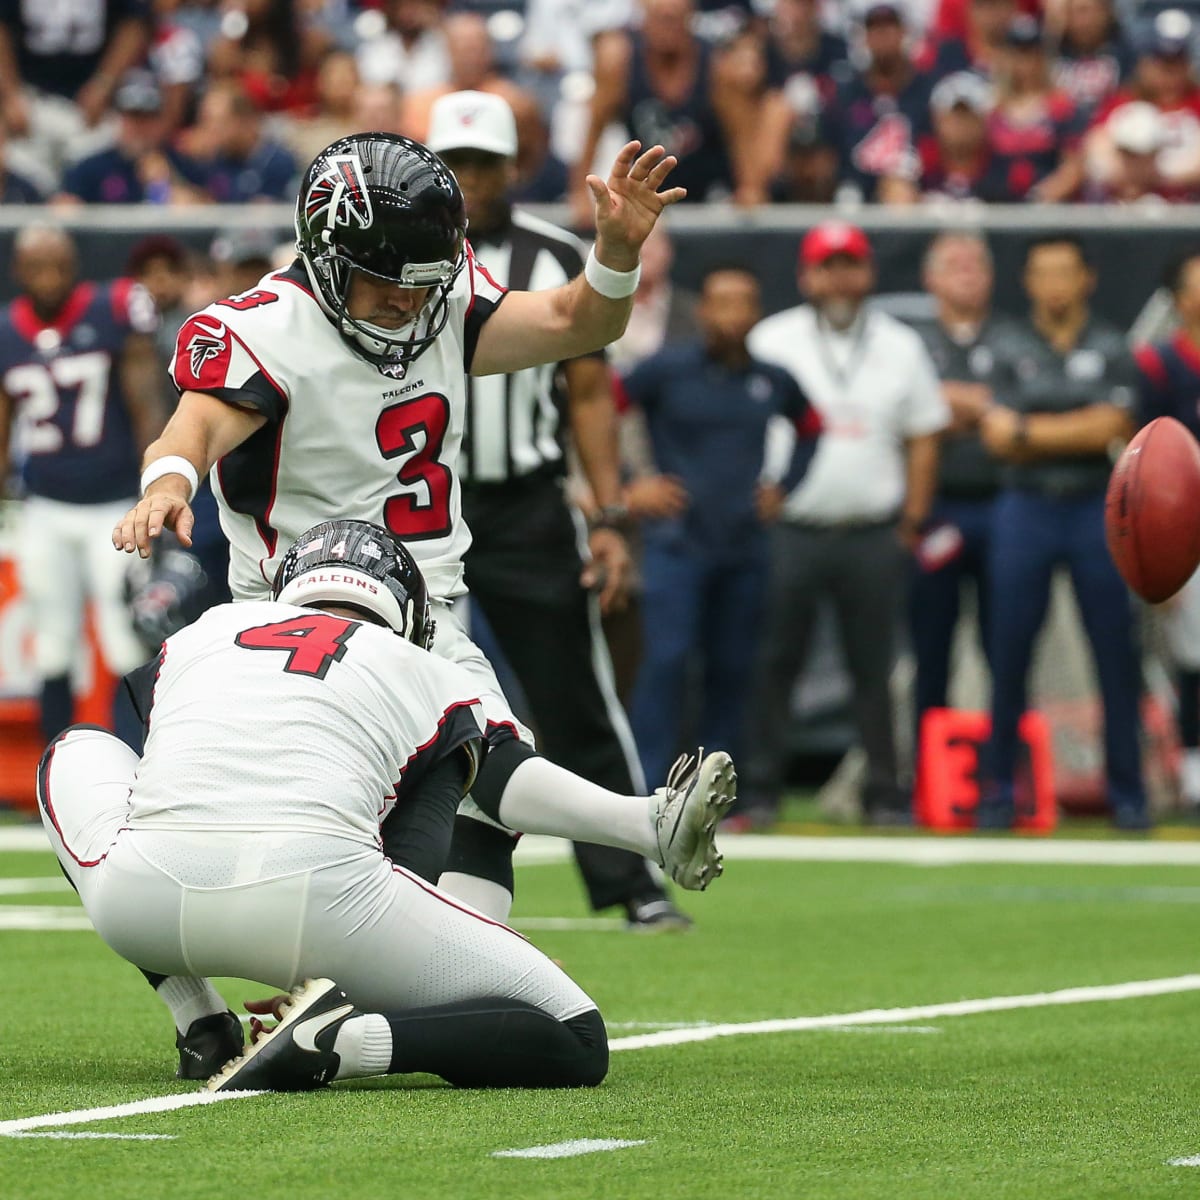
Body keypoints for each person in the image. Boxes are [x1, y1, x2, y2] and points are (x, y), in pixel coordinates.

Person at [112, 131, 736, 1061]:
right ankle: (645, 825)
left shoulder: (441, 297)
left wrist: (614, 254)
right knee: (480, 754)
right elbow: (196, 422)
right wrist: (168, 477)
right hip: (298, 619)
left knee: (475, 834)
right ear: (326, 260)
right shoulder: (262, 327)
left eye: (421, 282)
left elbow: (578, 325)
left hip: (429, 605)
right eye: (383, 284)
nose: (407, 305)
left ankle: (352, 1018)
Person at [40, 520, 618, 1092]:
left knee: (75, 748)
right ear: (409, 618)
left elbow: (172, 777)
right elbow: (414, 855)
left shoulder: (203, 631)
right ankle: (343, 1043)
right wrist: (366, 975)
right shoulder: (433, 673)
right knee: (579, 1035)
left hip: (142, 909)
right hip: (320, 910)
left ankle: (201, 1022)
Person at [426, 90, 689, 931]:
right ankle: (377, 874)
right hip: (418, 506)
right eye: (454, 163)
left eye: (483, 164)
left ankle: (631, 880)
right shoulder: (395, 251)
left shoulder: (555, 252)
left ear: (513, 168)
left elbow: (588, 393)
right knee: (386, 692)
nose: (468, 180)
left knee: (575, 692)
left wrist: (608, 514)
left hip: (526, 504)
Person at [739, 220, 948, 826]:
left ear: (869, 272)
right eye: (827, 265)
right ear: (806, 275)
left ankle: (884, 794)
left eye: (849, 264)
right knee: (775, 662)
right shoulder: (773, 339)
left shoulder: (899, 343)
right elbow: (743, 421)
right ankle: (758, 791)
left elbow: (925, 432)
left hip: (872, 530)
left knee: (874, 670)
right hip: (793, 529)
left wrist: (912, 520)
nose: (839, 277)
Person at [621, 263, 820, 794]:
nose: (732, 314)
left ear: (756, 313)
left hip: (744, 546)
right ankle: (643, 788)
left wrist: (785, 486)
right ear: (702, 309)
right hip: (677, 543)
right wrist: (628, 485)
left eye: (744, 302)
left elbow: (811, 426)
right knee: (666, 662)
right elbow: (598, 407)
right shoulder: (665, 369)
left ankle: (718, 792)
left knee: (733, 669)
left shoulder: (770, 379)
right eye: (721, 302)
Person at [977, 233, 1146, 829]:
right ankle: (998, 790)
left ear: (1085, 279)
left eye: (1064, 272)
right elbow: (996, 434)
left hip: (1096, 508)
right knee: (1009, 649)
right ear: (1027, 281)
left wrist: (1031, 430)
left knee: (1115, 651)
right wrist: (1077, 426)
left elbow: (1119, 422)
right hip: (1025, 506)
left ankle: (1129, 792)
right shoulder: (1004, 344)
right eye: (1042, 272)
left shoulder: (1112, 344)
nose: (1054, 283)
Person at [0, 225, 163, 748]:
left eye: (59, 266)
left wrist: (154, 484)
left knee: (124, 641)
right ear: (19, 272)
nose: (50, 278)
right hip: (45, 505)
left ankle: (140, 764)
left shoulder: (111, 307)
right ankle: (58, 775)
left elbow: (146, 401)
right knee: (52, 643)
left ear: (74, 267)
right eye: (37, 267)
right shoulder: (8, 330)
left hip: (114, 506)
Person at [905, 231, 1013, 732]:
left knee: (1008, 644)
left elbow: (1021, 417)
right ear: (930, 278)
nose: (967, 272)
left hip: (1005, 505)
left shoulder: (1015, 338)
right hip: (936, 510)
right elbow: (909, 412)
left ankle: (1005, 769)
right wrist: (982, 406)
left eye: (977, 263)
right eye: (955, 263)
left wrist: (947, 405)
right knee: (931, 645)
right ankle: (927, 768)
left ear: (993, 278)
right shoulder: (910, 343)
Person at [1133, 249, 1200, 812]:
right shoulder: (1159, 365)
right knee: (1195, 656)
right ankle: (1196, 773)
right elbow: (1144, 458)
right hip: (1190, 529)